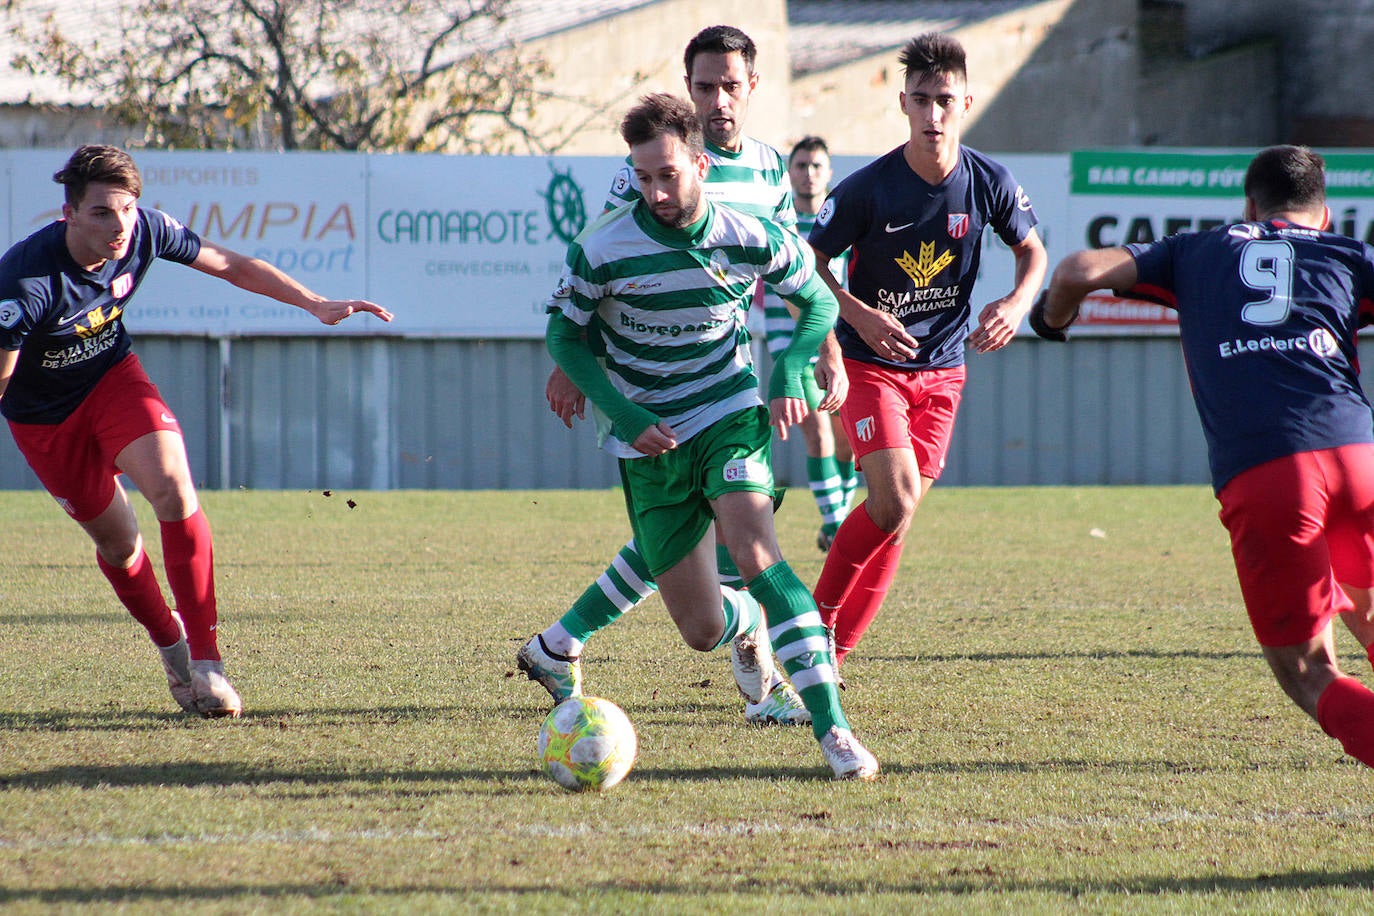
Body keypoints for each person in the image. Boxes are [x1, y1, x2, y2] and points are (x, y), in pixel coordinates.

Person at [541, 92, 877, 779]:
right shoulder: (601, 246)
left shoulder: (745, 231)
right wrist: (625, 413)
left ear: (698, 162)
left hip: (727, 411)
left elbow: (813, 297)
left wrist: (789, 364)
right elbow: (563, 336)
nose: (656, 192)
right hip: (648, 439)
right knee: (699, 630)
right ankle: (748, 625)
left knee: (758, 553)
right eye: (642, 178)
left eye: (668, 175)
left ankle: (835, 733)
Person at [0, 145, 393, 718]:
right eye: (102, 213)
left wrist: (314, 303)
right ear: (69, 215)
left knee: (174, 490)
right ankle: (173, 648)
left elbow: (230, 264)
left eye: (127, 209)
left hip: (112, 381)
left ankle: (209, 665)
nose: (119, 226)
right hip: (46, 422)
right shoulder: (23, 283)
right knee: (119, 544)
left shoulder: (147, 232)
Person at [1032, 144, 1374, 769]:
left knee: (1306, 670)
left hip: (1271, 467)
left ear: (1248, 205)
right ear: (1323, 215)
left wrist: (1052, 319)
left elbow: (1078, 270)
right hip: (1359, 456)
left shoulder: (1198, 249)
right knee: (1367, 602)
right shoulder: (1346, 252)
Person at [806, 33, 1047, 667]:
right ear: (903, 104)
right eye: (921, 100)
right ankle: (811, 630)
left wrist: (1015, 304)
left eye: (944, 100)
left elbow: (1033, 251)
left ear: (966, 101)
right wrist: (855, 313)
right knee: (894, 501)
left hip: (943, 371)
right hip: (871, 365)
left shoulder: (989, 181)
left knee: (898, 516)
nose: (933, 115)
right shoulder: (867, 189)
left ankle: (835, 653)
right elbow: (812, 262)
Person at [763, 135, 860, 552]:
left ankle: (834, 523)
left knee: (847, 441)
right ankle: (837, 526)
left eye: (816, 166)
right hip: (795, 345)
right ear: (790, 171)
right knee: (818, 435)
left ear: (829, 172)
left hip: (839, 345)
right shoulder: (778, 226)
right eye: (801, 166)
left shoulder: (840, 225)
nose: (808, 174)